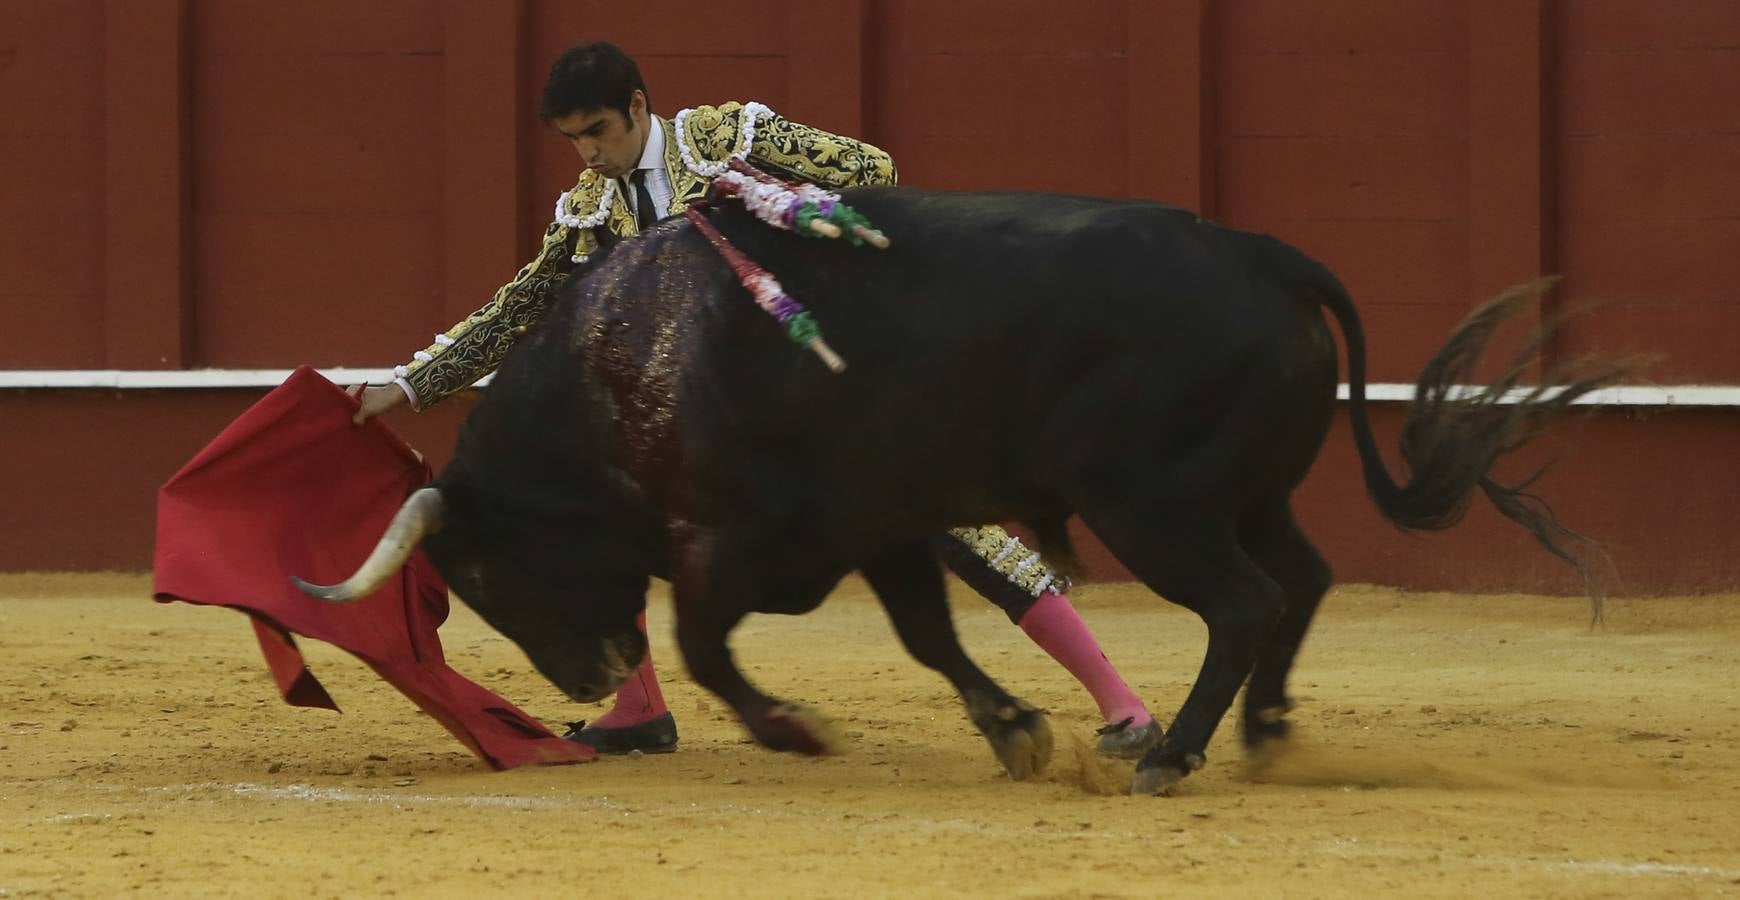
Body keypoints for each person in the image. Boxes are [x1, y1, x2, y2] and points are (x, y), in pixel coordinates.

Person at [349, 40, 1159, 759]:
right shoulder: (590, 214)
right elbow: (518, 307)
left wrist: (765, 203)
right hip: (734, 429)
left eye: (598, 131)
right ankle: (638, 714)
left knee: (956, 527)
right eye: (573, 142)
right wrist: (408, 384)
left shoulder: (726, 138)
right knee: (605, 504)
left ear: (638, 107)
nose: (588, 155)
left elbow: (873, 171)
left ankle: (1122, 705)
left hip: (830, 386)